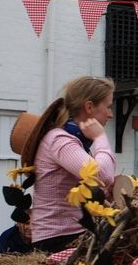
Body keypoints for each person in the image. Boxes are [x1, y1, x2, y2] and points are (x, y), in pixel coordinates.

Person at [20, 76, 116, 254]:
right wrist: (101, 138)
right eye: (108, 107)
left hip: (72, 235)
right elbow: (103, 175)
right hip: (59, 241)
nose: (110, 114)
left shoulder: (75, 142)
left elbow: (98, 184)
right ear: (89, 107)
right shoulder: (60, 140)